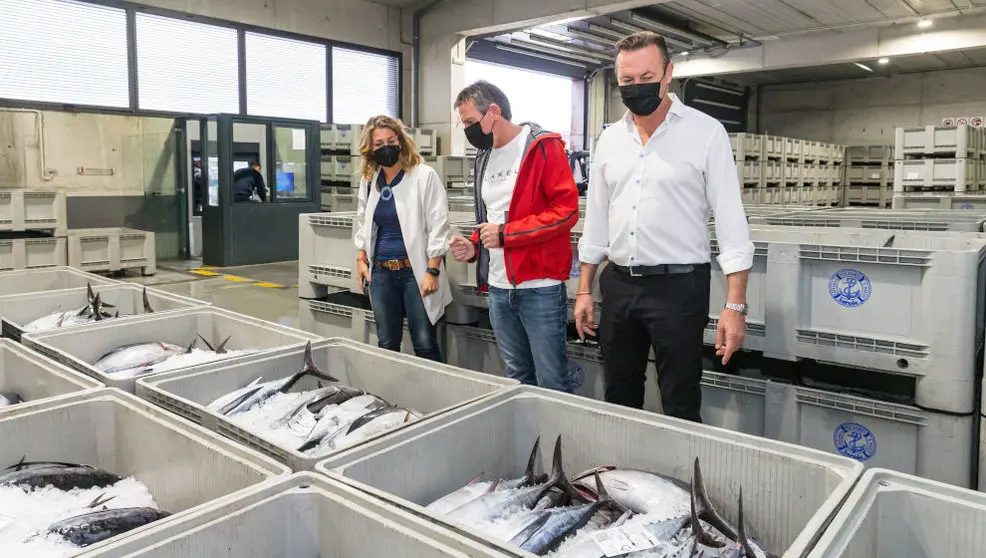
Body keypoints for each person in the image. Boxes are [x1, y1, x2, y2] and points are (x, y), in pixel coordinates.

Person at [573, 31, 754, 422]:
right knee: (619, 396)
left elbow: (730, 220)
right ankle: (622, 479)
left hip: (679, 289)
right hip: (618, 285)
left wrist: (735, 305)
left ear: (668, 72)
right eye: (627, 81)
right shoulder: (609, 140)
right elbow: (597, 221)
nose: (636, 87)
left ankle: (681, 482)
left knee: (680, 399)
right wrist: (584, 290)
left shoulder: (705, 133)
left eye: (646, 77)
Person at [449, 81, 580, 392]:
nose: (467, 129)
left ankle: (556, 440)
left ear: (493, 112)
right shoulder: (484, 156)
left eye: (469, 121)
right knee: (518, 377)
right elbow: (493, 217)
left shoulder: (542, 147)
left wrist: (507, 235)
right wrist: (474, 244)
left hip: (539, 288)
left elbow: (565, 211)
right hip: (498, 288)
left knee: (552, 380)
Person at [354, 115, 453, 362]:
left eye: (390, 140)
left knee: (424, 343)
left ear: (401, 141)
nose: (385, 147)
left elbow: (438, 225)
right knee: (387, 344)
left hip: (415, 273)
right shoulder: (369, 181)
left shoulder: (423, 176)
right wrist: (361, 258)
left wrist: (433, 270)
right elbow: (362, 222)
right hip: (381, 274)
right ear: (370, 148)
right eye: (378, 144)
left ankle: (435, 396)